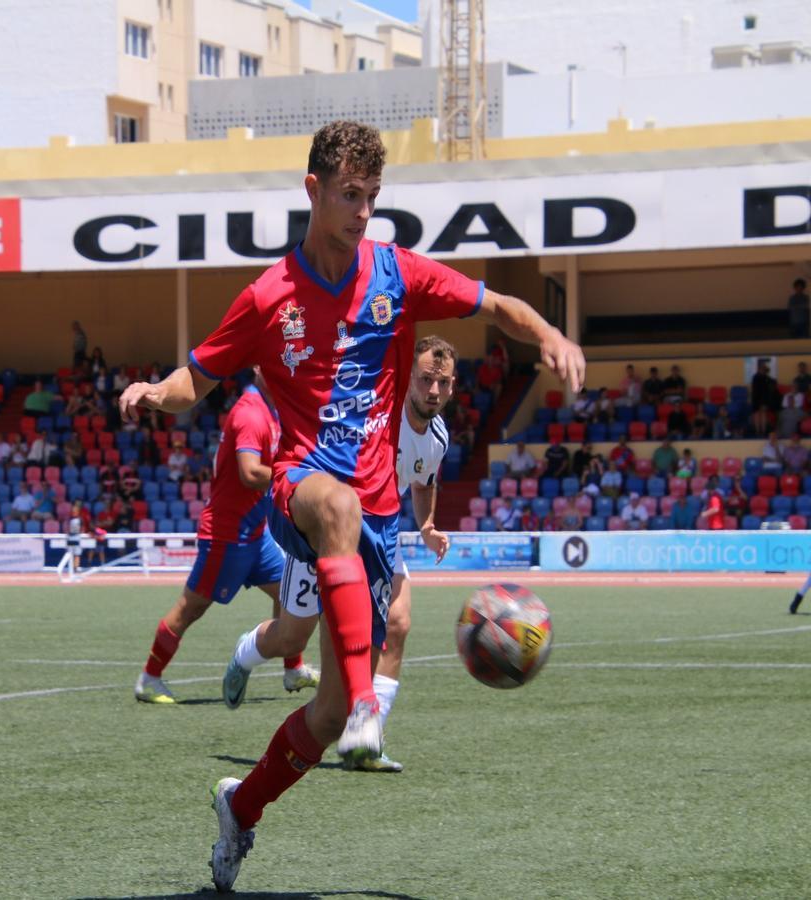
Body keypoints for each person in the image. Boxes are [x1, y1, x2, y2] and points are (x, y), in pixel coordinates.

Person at [116, 120, 585, 891]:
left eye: (372, 196)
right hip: (300, 493)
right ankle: (371, 701)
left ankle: (244, 805)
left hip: (378, 517)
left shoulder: (396, 273)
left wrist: (551, 337)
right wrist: (148, 393)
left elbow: (498, 303)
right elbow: (192, 381)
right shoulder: (269, 296)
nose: (362, 211)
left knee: (324, 719)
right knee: (331, 505)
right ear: (313, 191)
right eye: (348, 195)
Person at [222, 336, 457, 775]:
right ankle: (247, 652)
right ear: (408, 378)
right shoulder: (376, 414)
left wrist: (425, 526)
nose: (434, 391)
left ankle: (367, 739)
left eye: (443, 383)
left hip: (382, 535)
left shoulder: (438, 436)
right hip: (330, 532)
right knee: (292, 638)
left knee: (398, 625)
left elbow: (424, 481)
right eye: (425, 379)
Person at [133, 369, 318, 704]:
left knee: (289, 594)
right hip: (226, 534)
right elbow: (249, 473)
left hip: (256, 534)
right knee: (190, 609)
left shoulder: (270, 410)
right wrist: (295, 479)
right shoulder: (251, 413)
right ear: (261, 370)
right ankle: (149, 678)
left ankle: (293, 670)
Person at [750, 360, 779, 437]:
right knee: (756, 415)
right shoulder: (755, 377)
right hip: (756, 398)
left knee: (763, 414)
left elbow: (770, 388)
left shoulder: (767, 378)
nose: (763, 369)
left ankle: (763, 431)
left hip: (764, 399)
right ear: (759, 368)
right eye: (762, 368)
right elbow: (755, 390)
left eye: (764, 368)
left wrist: (765, 401)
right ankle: (757, 431)